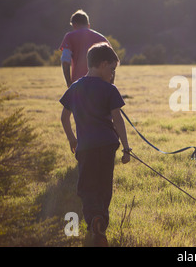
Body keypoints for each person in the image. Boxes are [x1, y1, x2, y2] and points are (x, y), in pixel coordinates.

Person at [60, 43, 131, 247]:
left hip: (86, 148)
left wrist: (72, 139)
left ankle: (94, 221)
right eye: (112, 69)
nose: (112, 75)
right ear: (102, 64)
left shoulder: (75, 88)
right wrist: (126, 148)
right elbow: (118, 120)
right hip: (108, 146)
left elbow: (64, 118)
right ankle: (101, 224)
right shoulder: (109, 89)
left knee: (86, 188)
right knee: (103, 187)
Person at [59, 9, 110, 87]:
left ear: (73, 25)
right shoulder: (102, 39)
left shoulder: (70, 37)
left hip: (79, 84)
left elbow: (65, 60)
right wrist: (110, 85)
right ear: (88, 25)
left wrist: (69, 82)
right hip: (101, 85)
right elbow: (111, 64)